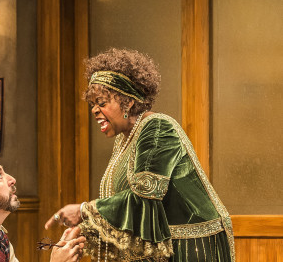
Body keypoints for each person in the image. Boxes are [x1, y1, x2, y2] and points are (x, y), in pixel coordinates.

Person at [45, 48, 235, 261]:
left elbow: (145, 196)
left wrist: (84, 211)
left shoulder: (157, 128)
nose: (94, 110)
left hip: (190, 248)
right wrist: (86, 229)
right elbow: (126, 207)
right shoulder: (124, 139)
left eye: (102, 102)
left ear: (128, 101)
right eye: (92, 104)